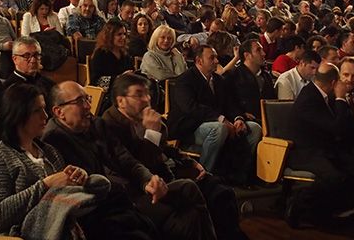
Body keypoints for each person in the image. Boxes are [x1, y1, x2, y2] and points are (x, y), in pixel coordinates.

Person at [43, 81, 214, 240]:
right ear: (59, 112)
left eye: (87, 98)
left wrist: (147, 180)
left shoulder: (95, 124)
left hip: (128, 195)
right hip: (105, 209)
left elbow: (124, 159)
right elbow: (86, 186)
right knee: (187, 209)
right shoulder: (54, 141)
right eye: (80, 101)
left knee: (195, 203)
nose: (88, 106)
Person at [0, 84, 132, 239]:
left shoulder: (49, 152)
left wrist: (78, 179)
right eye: (37, 111)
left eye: (44, 108)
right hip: (15, 235)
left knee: (121, 220)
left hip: (57, 225)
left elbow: (63, 198)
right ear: (18, 115)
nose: (45, 116)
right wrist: (46, 184)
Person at [101, 73, 249, 240]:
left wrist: (189, 161)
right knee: (191, 210)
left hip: (166, 174)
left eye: (147, 93)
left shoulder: (146, 117)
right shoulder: (109, 124)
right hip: (139, 189)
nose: (147, 98)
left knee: (220, 190)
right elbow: (134, 165)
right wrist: (151, 133)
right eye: (139, 94)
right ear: (121, 101)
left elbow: (166, 149)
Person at [284, 62, 354, 233]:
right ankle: (301, 204)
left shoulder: (335, 95)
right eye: (343, 76)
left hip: (335, 145)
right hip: (308, 150)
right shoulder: (315, 98)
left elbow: (346, 127)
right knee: (340, 174)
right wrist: (340, 99)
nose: (346, 81)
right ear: (333, 82)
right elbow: (337, 128)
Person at [168, 45, 262, 182]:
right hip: (189, 126)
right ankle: (204, 175)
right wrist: (221, 119)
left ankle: (238, 174)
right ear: (199, 61)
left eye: (216, 57)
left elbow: (230, 103)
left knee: (253, 128)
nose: (217, 61)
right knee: (219, 129)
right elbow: (191, 108)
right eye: (212, 58)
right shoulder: (185, 80)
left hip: (216, 123)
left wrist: (238, 118)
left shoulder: (218, 80)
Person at [226, 39, 276, 121]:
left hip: (267, 119)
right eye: (258, 50)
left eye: (262, 49)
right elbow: (229, 102)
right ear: (247, 55)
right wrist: (241, 115)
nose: (264, 53)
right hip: (245, 120)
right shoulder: (234, 75)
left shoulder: (266, 76)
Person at [89, 19, 134, 91]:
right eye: (119, 34)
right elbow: (97, 81)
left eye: (124, 34)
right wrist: (119, 78)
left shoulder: (125, 53)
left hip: (124, 89)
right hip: (107, 94)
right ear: (109, 36)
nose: (123, 37)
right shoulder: (100, 54)